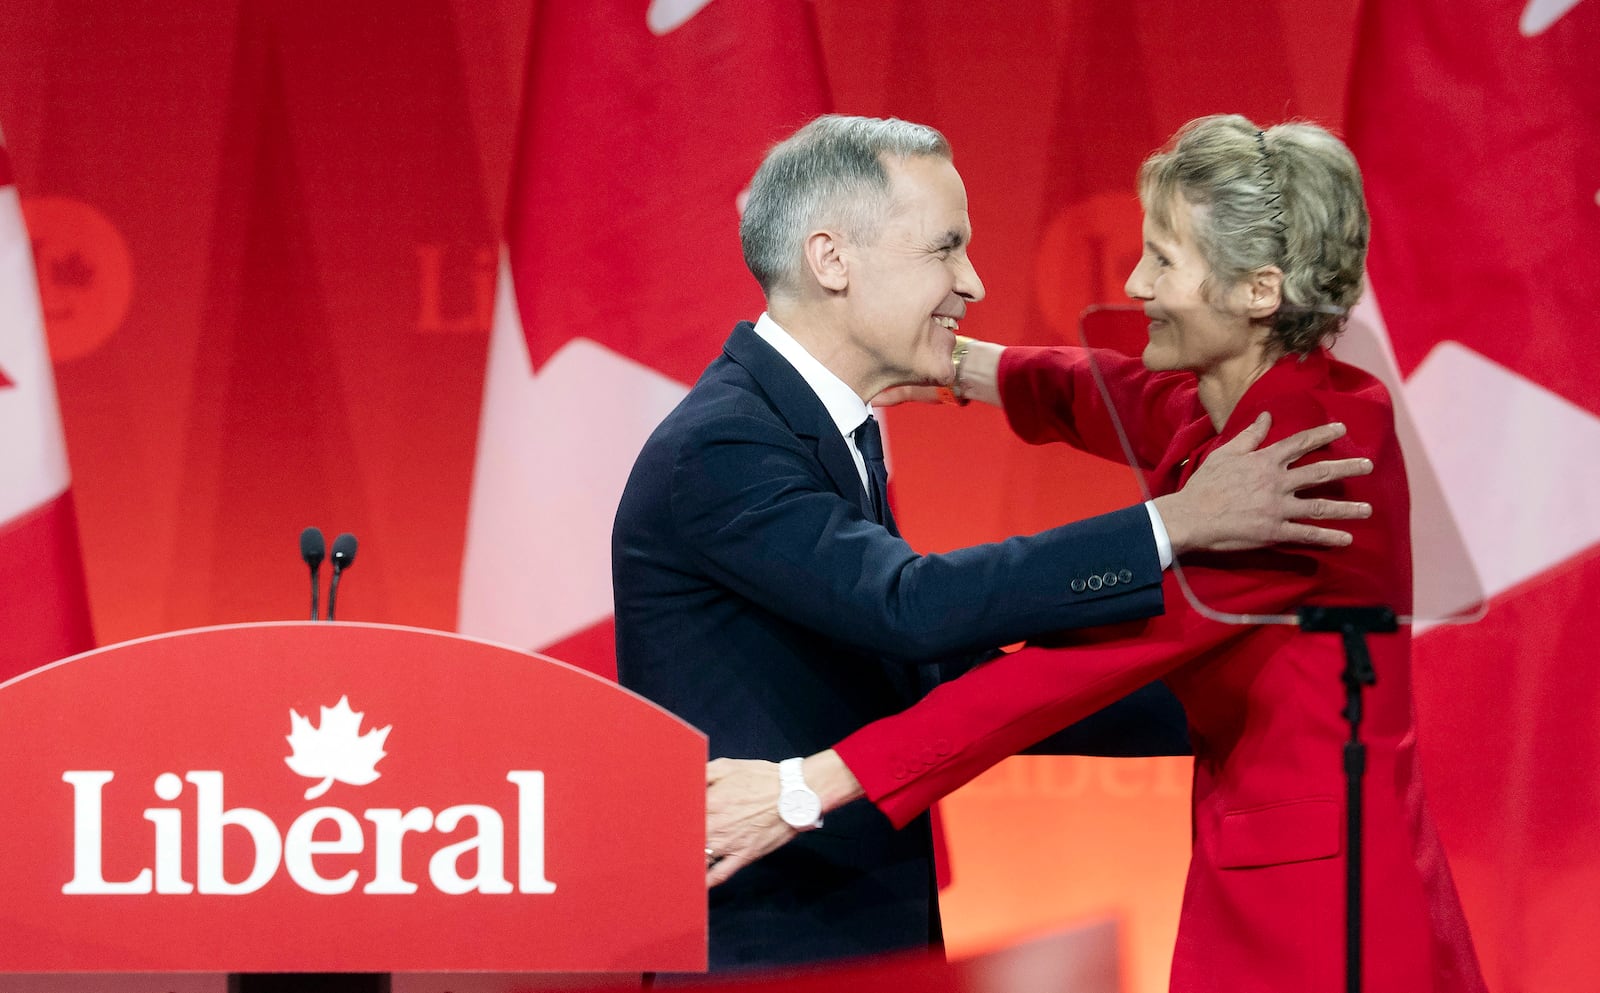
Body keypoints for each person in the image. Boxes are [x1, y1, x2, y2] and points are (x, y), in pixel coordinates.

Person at [701, 116, 1486, 991]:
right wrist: (945, 359)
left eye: (1164, 259)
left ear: (1259, 289)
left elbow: (1068, 674)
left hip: (1329, 907)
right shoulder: (1239, 400)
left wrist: (806, 788)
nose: (1135, 282)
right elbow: (1099, 389)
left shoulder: (1299, 464)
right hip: (1262, 853)